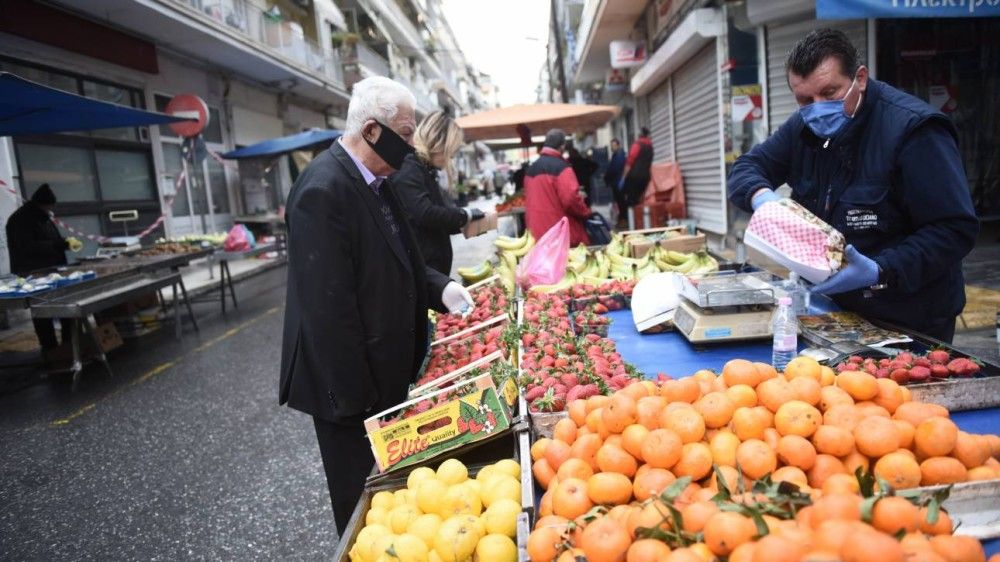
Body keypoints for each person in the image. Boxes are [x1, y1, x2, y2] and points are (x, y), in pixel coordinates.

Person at [279, 77, 475, 534]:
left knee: (391, 504)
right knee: (361, 508)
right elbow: (328, 312)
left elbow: (404, 258)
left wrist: (440, 287)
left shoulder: (377, 182)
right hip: (347, 390)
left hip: (381, 379)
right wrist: (363, 405)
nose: (412, 145)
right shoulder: (322, 191)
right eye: (405, 133)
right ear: (371, 131)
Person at [728, 29, 978, 342]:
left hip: (911, 319)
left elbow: (954, 229)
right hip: (834, 312)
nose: (817, 108)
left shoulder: (915, 132)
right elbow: (746, 168)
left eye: (830, 93)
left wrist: (881, 270)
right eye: (804, 99)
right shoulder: (804, 126)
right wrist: (762, 198)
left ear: (859, 79)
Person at [393, 111, 486, 276]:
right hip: (422, 273)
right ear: (438, 143)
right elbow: (425, 213)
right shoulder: (409, 166)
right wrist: (466, 215)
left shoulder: (425, 169)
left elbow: (437, 220)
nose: (450, 159)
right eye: (451, 152)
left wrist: (472, 224)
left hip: (433, 271)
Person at [6, 184, 79, 355]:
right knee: (42, 312)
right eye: (48, 206)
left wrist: (65, 243)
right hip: (33, 273)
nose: (50, 209)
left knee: (63, 307)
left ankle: (69, 344)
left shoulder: (43, 217)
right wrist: (58, 244)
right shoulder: (21, 220)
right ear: (41, 204)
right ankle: (50, 349)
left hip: (52, 271)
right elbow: (27, 246)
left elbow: (52, 239)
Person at [524, 129, 591, 246]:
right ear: (562, 146)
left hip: (536, 234)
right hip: (559, 235)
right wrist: (586, 211)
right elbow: (571, 200)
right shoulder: (562, 168)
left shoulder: (530, 169)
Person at [619, 128, 654, 226]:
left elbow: (629, 162)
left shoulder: (637, 145)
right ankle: (641, 224)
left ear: (640, 136)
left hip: (634, 177)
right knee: (639, 201)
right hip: (645, 177)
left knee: (630, 201)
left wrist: (623, 177)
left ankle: (632, 225)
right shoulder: (650, 147)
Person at [604, 139, 627, 224]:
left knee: (621, 202)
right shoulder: (616, 155)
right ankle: (622, 219)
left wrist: (607, 177)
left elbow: (614, 169)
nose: (612, 148)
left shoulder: (619, 156)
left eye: (613, 145)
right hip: (616, 182)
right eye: (611, 146)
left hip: (618, 182)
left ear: (618, 145)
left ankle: (623, 220)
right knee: (620, 202)